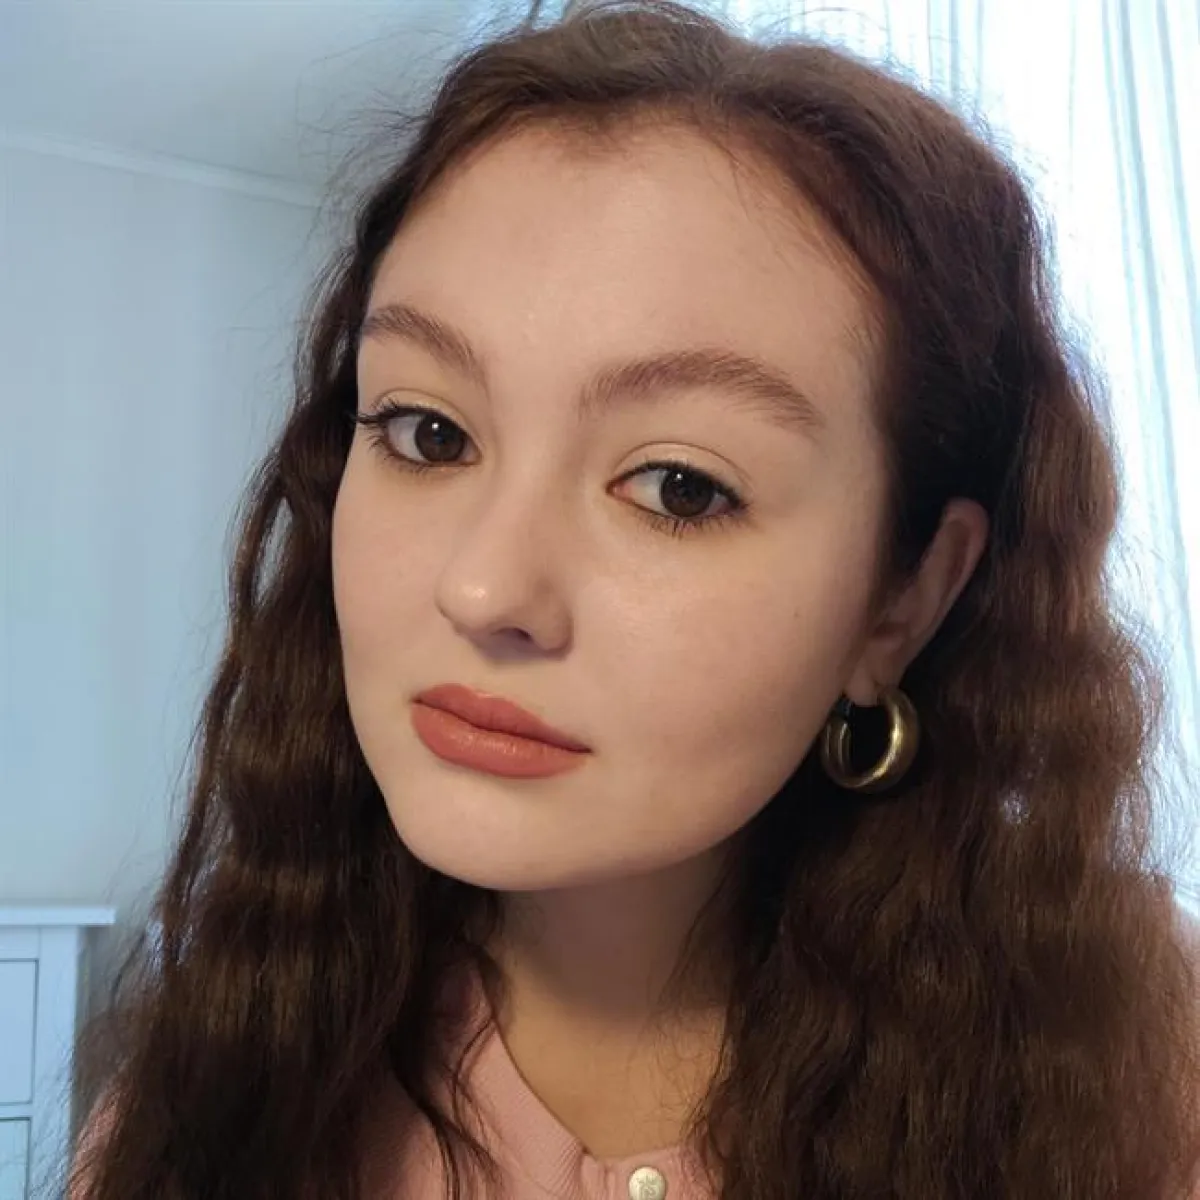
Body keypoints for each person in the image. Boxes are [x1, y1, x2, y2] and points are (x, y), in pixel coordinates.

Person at [66, 2, 1200, 1197]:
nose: (484, 587)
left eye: (678, 487)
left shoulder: (1135, 1078)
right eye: (429, 432)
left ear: (902, 599)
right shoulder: (213, 1101)